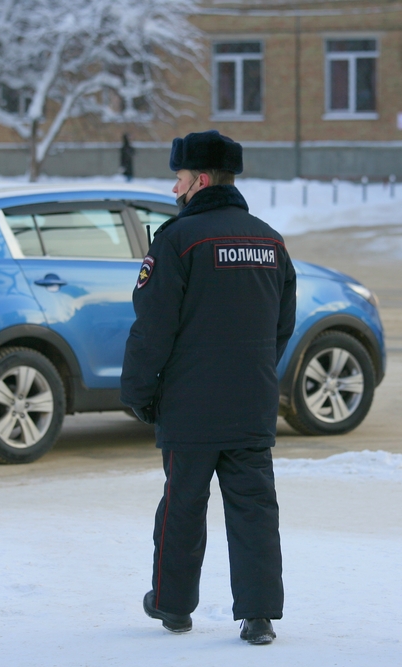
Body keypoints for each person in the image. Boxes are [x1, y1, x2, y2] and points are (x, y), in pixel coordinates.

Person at [120, 130, 297, 645]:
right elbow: (281, 325)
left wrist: (138, 391)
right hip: (251, 402)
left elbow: (153, 329)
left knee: (183, 504)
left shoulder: (177, 241)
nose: (175, 190)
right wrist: (256, 373)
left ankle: (173, 607)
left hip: (190, 405)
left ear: (198, 179)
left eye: (178, 178)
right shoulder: (269, 239)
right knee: (255, 507)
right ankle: (259, 615)